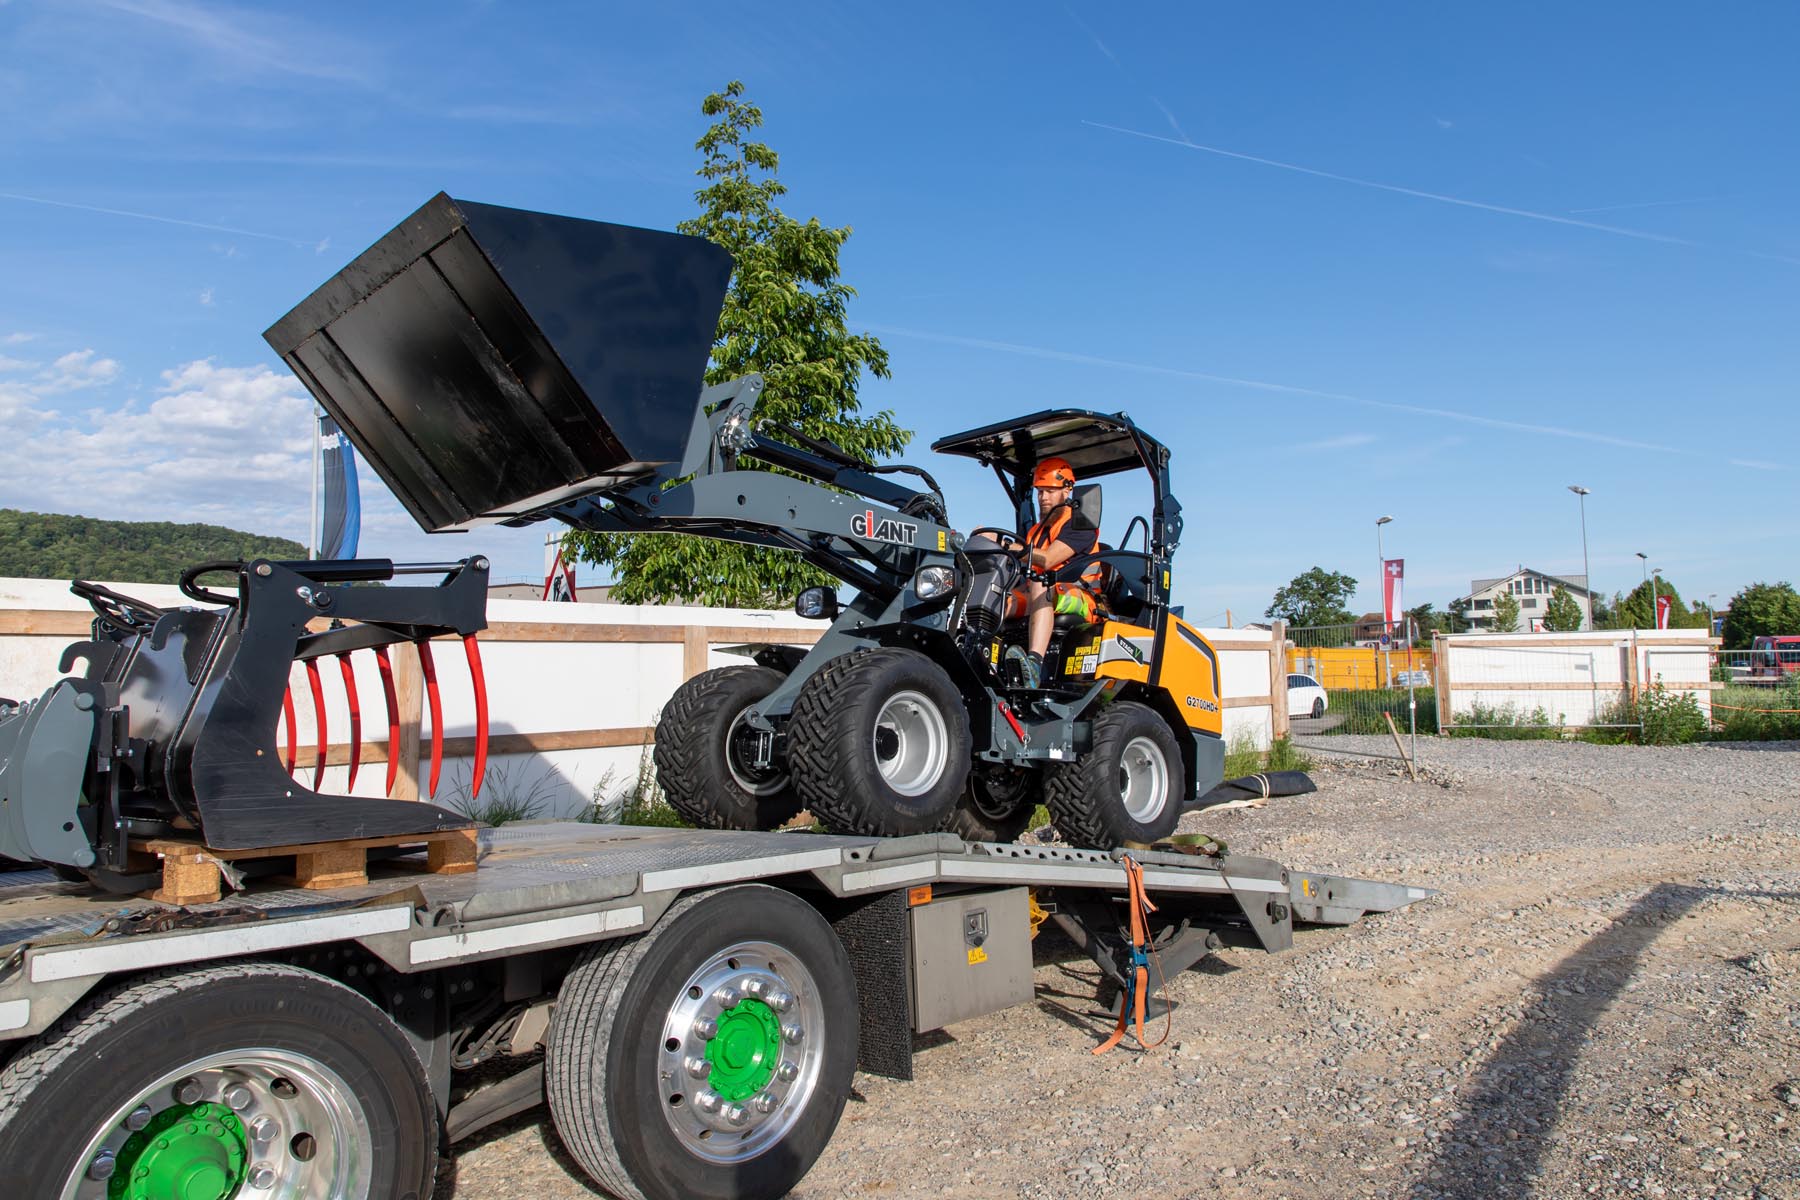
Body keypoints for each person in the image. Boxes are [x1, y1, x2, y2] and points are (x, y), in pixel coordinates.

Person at [1000, 457, 1099, 689]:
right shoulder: (1035, 531)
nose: (1043, 498)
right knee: (998, 598)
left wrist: (1009, 546)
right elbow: (1027, 572)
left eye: (1050, 491)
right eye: (1040, 491)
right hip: (1042, 591)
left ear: (1067, 489)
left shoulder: (1081, 525)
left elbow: (1047, 560)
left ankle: (1034, 665)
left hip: (1083, 598)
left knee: (1041, 583)